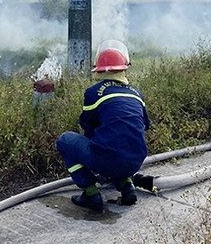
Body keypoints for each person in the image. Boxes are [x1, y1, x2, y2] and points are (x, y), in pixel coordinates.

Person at [56, 39, 150, 211]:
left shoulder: (94, 93)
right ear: (124, 68)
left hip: (108, 161)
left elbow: (87, 125)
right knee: (122, 143)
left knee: (65, 141)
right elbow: (144, 126)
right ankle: (126, 185)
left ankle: (91, 193)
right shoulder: (137, 94)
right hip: (136, 161)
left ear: (98, 69)